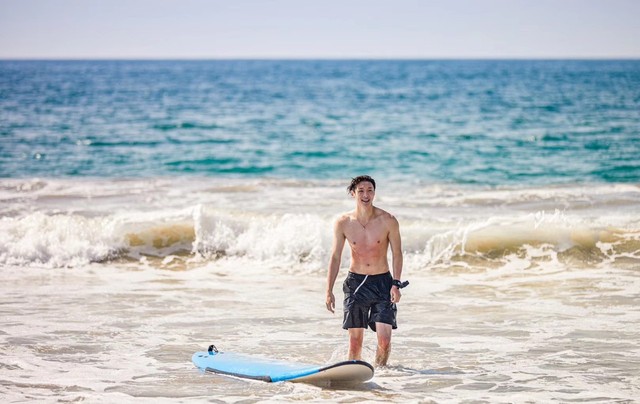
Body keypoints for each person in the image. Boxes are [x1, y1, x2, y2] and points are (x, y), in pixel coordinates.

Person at [325, 175, 406, 367]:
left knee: (384, 341)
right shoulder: (343, 222)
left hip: (383, 284)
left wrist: (396, 284)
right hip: (356, 284)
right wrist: (329, 290)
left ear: (374, 193)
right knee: (355, 342)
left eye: (370, 190)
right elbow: (335, 257)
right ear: (353, 194)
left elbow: (397, 253)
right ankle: (354, 375)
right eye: (361, 191)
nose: (366, 194)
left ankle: (382, 374)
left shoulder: (388, 220)